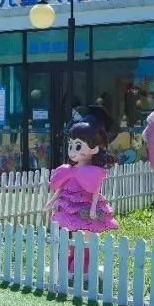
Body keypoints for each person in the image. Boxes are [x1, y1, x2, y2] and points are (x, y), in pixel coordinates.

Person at [43, 106, 119, 273]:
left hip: (85, 207)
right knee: (71, 233)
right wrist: (51, 202)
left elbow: (96, 191)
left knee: (87, 234)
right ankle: (71, 258)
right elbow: (61, 189)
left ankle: (85, 262)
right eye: (70, 146)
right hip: (69, 205)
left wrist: (93, 208)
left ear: (94, 148)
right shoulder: (69, 170)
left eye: (77, 146)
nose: (72, 151)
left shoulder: (94, 172)